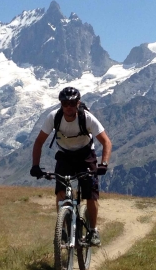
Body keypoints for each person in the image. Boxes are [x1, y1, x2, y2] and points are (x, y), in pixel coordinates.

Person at [30, 86, 112, 246]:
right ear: (61, 104)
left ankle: (94, 231)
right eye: (65, 103)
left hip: (86, 155)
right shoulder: (54, 117)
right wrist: (35, 166)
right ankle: (63, 229)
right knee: (60, 189)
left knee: (90, 193)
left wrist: (103, 164)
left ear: (78, 103)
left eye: (72, 103)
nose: (68, 107)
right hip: (65, 155)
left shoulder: (86, 118)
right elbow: (39, 142)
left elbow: (106, 141)